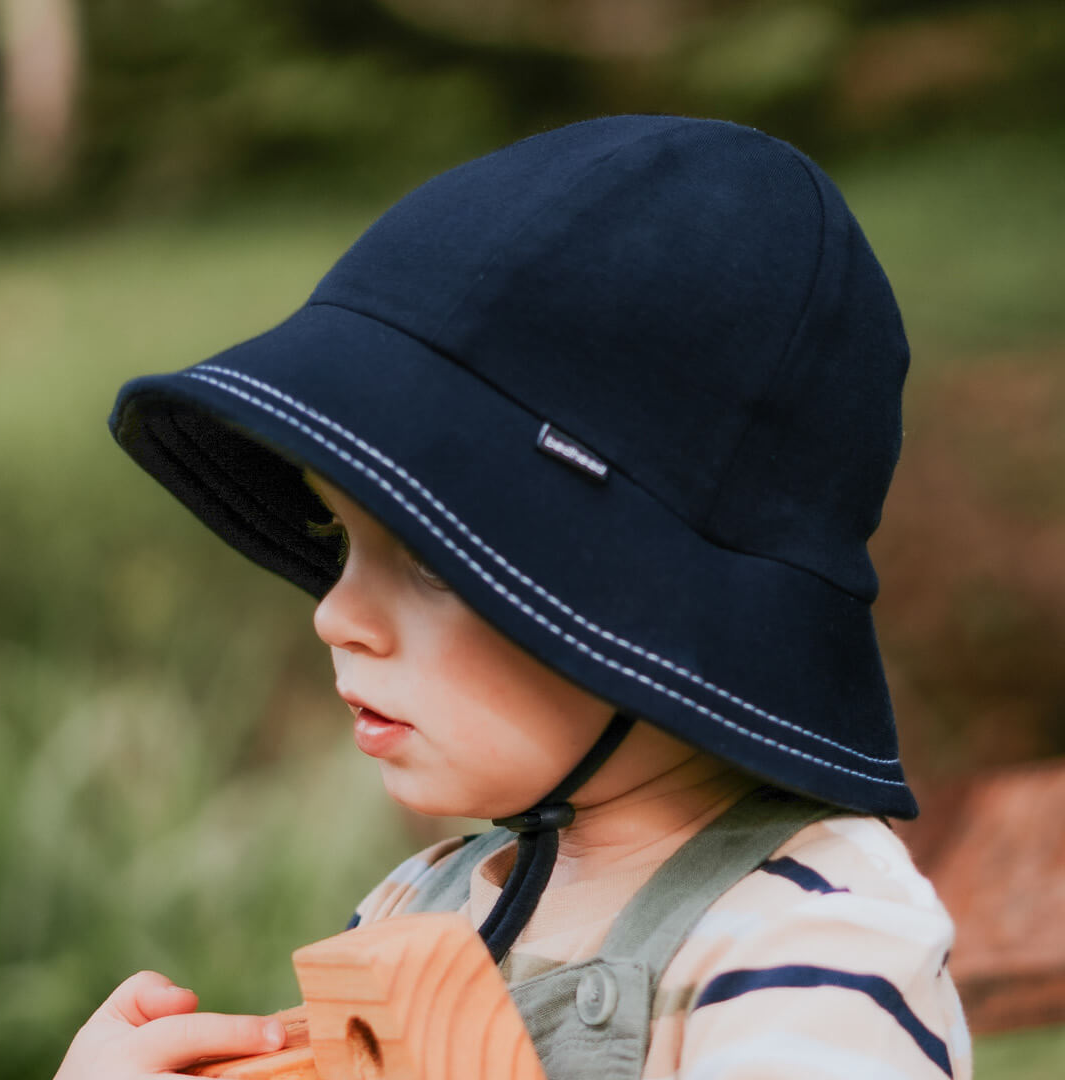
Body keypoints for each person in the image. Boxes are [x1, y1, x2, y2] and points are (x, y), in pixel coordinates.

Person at [57, 115, 971, 1079]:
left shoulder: (812, 944)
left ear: (646, 607)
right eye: (336, 535)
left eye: (434, 561)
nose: (334, 614)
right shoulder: (417, 907)